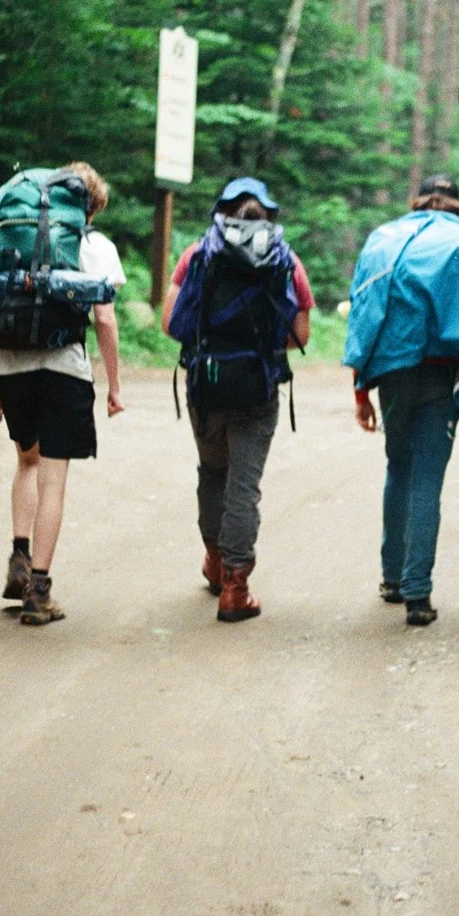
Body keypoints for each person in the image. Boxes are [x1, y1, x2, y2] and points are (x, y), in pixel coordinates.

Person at [345, 175, 459, 626]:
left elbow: (364, 315)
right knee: (427, 479)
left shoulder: (383, 240)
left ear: (417, 202)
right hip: (442, 377)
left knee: (397, 467)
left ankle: (392, 578)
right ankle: (417, 596)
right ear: (457, 207)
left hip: (391, 373)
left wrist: (360, 387)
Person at [161, 177, 314, 622]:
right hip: (257, 388)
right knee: (243, 486)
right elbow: (300, 333)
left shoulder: (197, 254)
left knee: (212, 472)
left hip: (205, 386)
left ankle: (213, 559)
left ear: (223, 212)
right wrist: (258, 347)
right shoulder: (286, 259)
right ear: (267, 216)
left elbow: (173, 323)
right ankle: (235, 587)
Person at [0, 161, 125, 625]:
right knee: (54, 479)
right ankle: (39, 593)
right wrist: (114, 387)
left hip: (10, 365)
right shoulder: (95, 246)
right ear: (93, 207)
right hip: (63, 368)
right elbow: (104, 319)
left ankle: (19, 558)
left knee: (27, 461)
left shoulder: (12, 237)